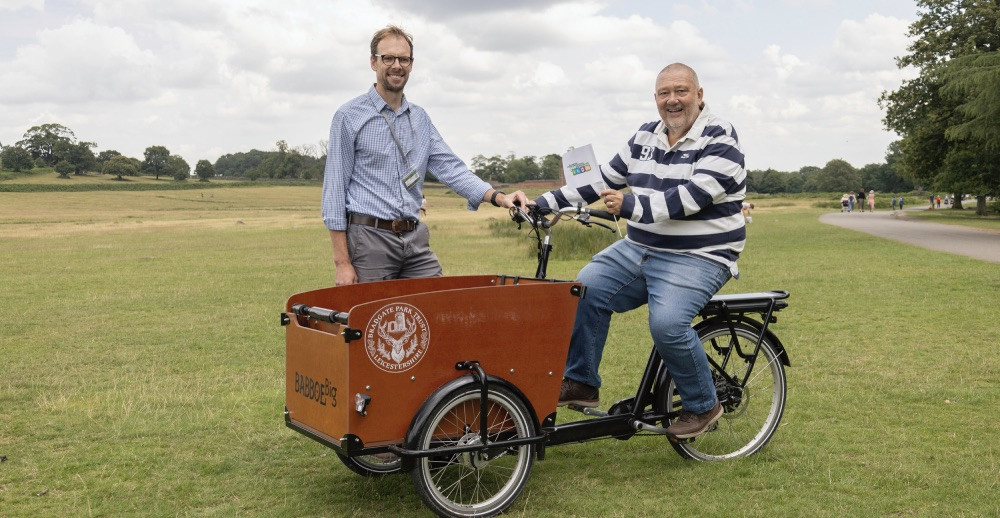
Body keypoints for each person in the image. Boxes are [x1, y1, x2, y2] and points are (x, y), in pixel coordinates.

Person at [534, 63, 744, 439]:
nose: (672, 100)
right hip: (640, 247)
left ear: (699, 95)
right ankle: (582, 381)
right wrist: (542, 203)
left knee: (667, 325)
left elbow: (692, 197)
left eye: (681, 91)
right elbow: (598, 180)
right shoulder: (645, 136)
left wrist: (630, 207)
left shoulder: (721, 137)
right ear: (656, 98)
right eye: (664, 93)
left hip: (701, 255)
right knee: (584, 288)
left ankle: (703, 405)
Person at [322, 25, 527, 284]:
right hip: (369, 239)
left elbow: (451, 168)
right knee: (372, 322)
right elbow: (334, 190)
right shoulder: (349, 116)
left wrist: (498, 197)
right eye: (388, 58)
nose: (397, 65)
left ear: (411, 64)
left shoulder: (420, 118)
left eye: (403, 59)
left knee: (434, 310)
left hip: (414, 237)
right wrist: (342, 263)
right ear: (373, 62)